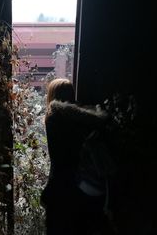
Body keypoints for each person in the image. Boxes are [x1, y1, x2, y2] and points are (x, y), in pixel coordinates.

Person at [41, 78, 111, 235]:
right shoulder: (88, 121)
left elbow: (59, 163)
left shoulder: (54, 116)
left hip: (63, 190)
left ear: (53, 95)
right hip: (89, 187)